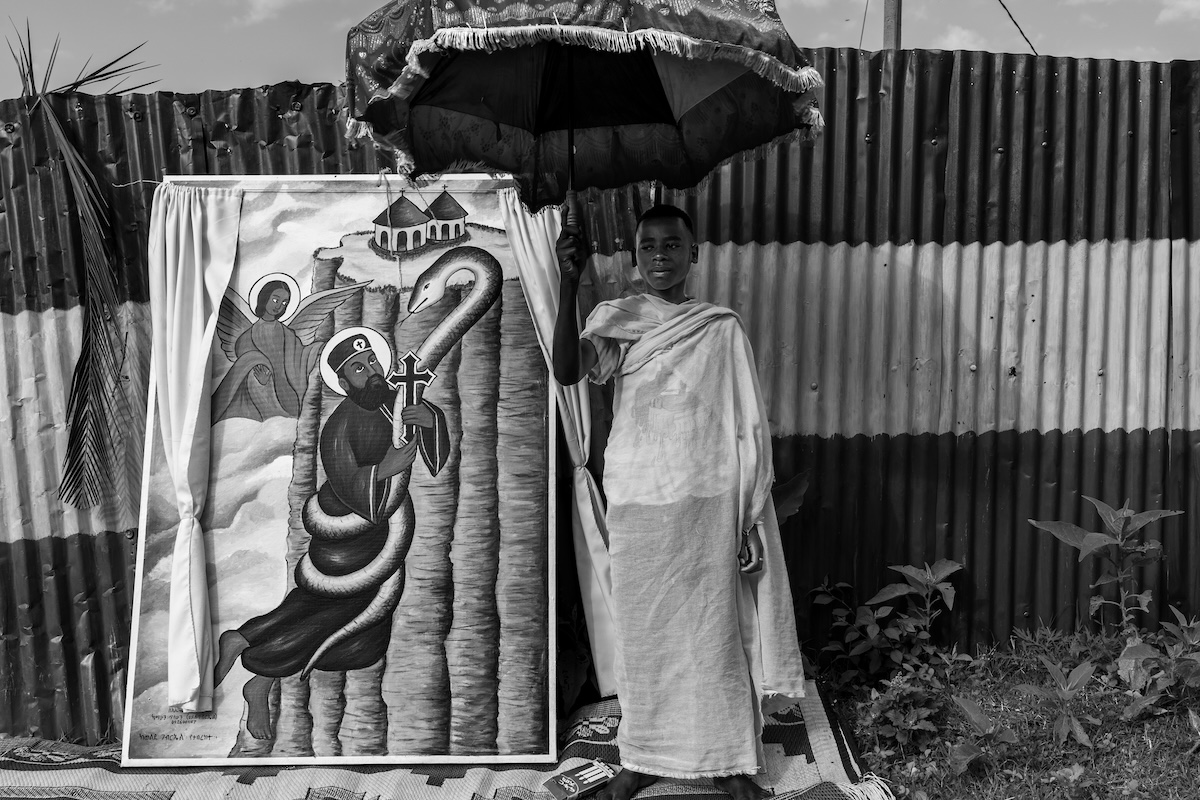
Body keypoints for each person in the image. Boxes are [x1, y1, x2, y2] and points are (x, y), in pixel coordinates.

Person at [553, 205, 805, 800]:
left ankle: (730, 759)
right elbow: (568, 369)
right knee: (646, 634)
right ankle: (643, 755)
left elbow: (745, 426)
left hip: (708, 496)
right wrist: (569, 280)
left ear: (694, 254)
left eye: (673, 244)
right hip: (640, 497)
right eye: (648, 246)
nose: (660, 255)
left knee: (716, 630)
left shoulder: (720, 327)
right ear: (636, 257)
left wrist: (747, 513)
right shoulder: (619, 319)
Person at [213, 331, 450, 739]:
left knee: (322, 614)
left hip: (378, 538)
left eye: (373, 363)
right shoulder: (339, 424)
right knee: (341, 619)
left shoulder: (397, 402)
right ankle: (260, 674)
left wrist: (431, 422)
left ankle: (244, 643)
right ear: (343, 382)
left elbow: (431, 444)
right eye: (359, 369)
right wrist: (386, 469)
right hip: (351, 538)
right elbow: (345, 479)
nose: (372, 372)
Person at [212, 280, 313, 422]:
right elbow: (246, 362)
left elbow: (300, 358)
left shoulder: (287, 334)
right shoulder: (248, 335)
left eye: (284, 303)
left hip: (287, 390)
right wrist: (262, 378)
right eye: (275, 299)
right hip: (261, 390)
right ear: (264, 297)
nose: (278, 306)